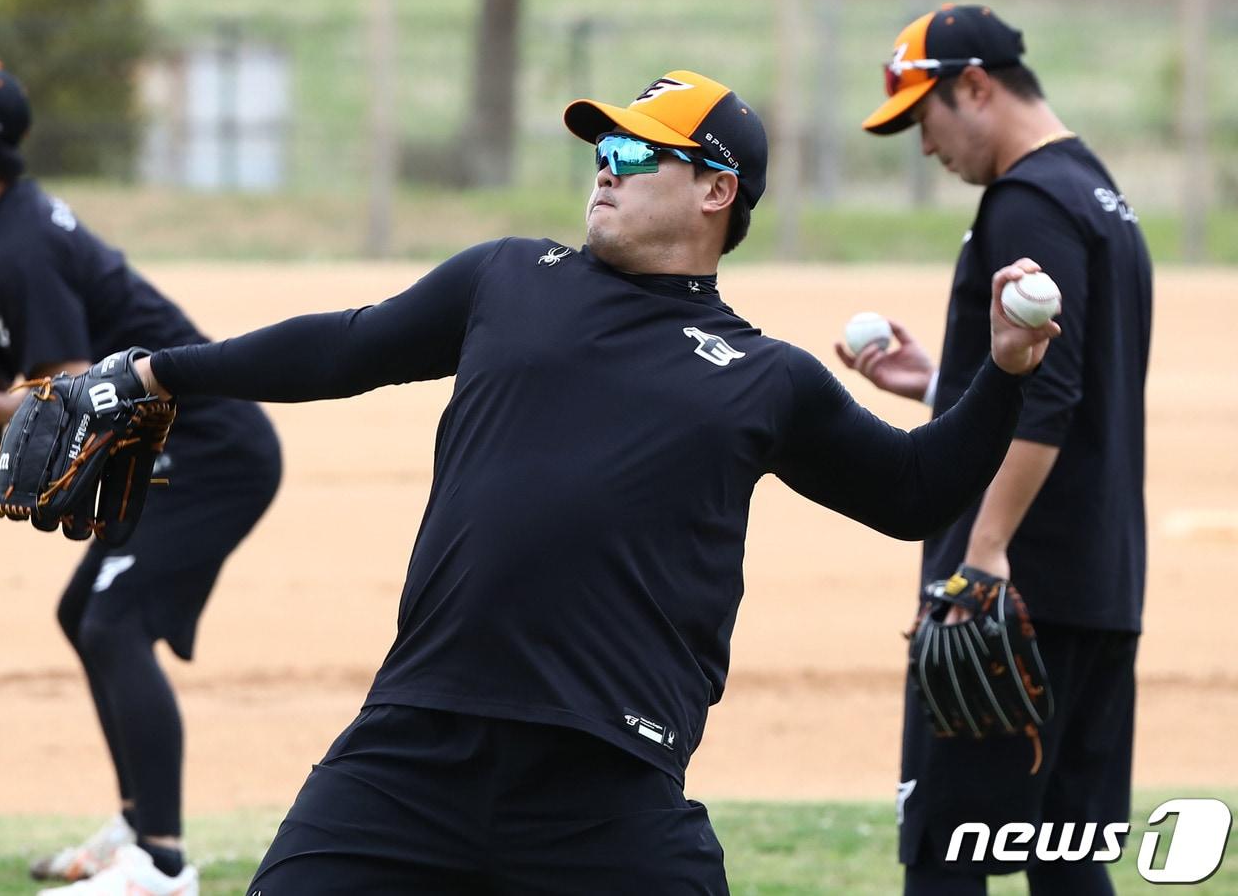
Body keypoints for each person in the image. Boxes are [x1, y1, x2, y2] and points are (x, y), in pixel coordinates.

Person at [130, 69, 1057, 894]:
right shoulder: (507, 278)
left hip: (609, 779)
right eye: (601, 147)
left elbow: (912, 490)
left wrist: (1006, 373)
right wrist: (155, 373)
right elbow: (344, 346)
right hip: (414, 744)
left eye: (634, 150)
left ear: (716, 190)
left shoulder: (765, 377)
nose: (604, 165)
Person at [0, 57, 282, 896]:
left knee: (113, 623)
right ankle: (135, 828)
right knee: (85, 611)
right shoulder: (7, 231)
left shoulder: (19, 244)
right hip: (178, 439)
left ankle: (162, 864)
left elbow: (65, 396)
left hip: (212, 449)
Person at [848, 5, 1153, 895]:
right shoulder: (1096, 191)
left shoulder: (1024, 201)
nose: (925, 147)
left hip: (1013, 599)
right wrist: (942, 385)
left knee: (948, 858)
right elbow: (1068, 385)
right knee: (1064, 865)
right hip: (1092, 588)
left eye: (923, 118)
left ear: (974, 86)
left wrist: (979, 563)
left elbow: (1049, 402)